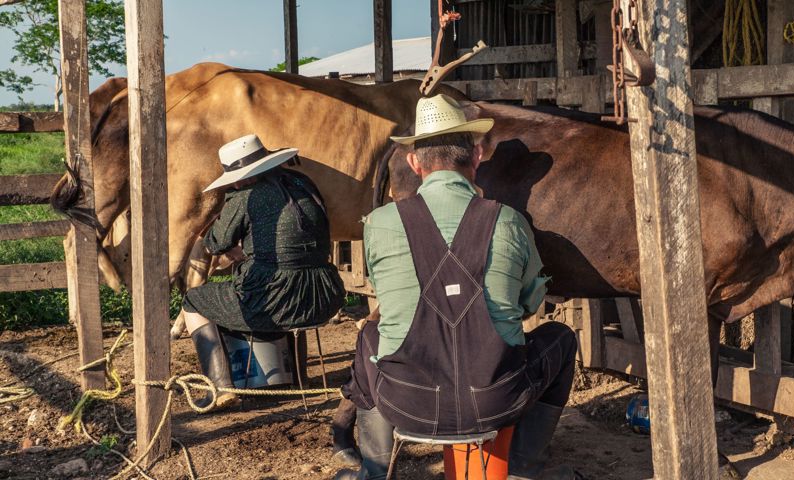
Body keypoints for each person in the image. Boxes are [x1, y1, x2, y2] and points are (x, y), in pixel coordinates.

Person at [334, 95, 578, 480]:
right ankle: (522, 469)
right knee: (561, 338)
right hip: (498, 401)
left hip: (408, 403)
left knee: (370, 337)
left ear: (414, 163)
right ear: (476, 156)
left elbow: (392, 300)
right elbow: (530, 301)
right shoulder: (509, 222)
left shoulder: (380, 224)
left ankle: (375, 471)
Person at [181, 134, 345, 411]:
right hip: (325, 294)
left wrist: (231, 245)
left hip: (274, 301)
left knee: (193, 301)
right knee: (290, 287)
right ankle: (299, 379)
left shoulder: (245, 195)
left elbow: (216, 243)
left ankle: (219, 388)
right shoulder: (302, 182)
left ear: (243, 176)